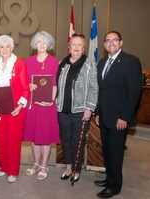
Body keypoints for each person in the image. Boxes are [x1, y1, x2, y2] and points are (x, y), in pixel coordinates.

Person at [94, 31, 142, 198]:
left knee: (115, 152)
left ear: (121, 43)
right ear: (105, 45)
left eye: (115, 40)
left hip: (119, 118)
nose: (111, 43)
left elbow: (134, 93)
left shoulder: (131, 62)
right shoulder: (101, 63)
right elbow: (101, 91)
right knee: (107, 151)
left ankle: (114, 186)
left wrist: (125, 117)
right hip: (104, 116)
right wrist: (98, 113)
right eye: (108, 41)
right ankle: (109, 178)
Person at [56, 33, 98, 183]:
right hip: (62, 109)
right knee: (65, 140)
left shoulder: (89, 65)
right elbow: (55, 85)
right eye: (74, 44)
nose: (76, 47)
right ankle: (68, 167)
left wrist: (90, 108)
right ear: (69, 48)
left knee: (77, 141)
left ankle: (76, 169)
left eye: (79, 45)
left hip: (81, 111)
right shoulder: (62, 64)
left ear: (84, 49)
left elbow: (94, 88)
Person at [0, 35, 30, 183]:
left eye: (7, 46)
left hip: (16, 108)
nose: (4, 49)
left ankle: (13, 171)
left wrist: (20, 106)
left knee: (13, 139)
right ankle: (4, 167)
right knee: (2, 138)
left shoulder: (19, 64)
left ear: (11, 48)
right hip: (1, 107)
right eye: (1, 47)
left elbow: (26, 88)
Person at [23, 31, 60, 181]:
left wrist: (51, 100)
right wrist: (30, 85)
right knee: (33, 137)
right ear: (35, 44)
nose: (42, 45)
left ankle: (44, 166)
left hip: (47, 105)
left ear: (49, 45)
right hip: (33, 104)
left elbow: (55, 85)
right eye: (39, 42)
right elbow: (25, 82)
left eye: (45, 42)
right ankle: (36, 163)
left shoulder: (53, 61)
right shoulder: (29, 61)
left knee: (44, 137)